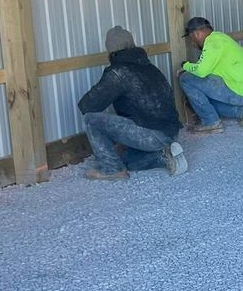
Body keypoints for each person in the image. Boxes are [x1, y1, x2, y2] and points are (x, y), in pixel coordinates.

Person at [77, 26, 186, 181]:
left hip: (150, 134)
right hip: (170, 133)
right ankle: (163, 156)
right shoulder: (150, 67)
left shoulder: (118, 72)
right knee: (128, 160)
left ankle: (113, 170)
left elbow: (88, 106)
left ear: (110, 49)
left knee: (91, 120)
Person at [179, 17, 243, 133]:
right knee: (205, 102)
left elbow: (202, 72)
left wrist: (185, 66)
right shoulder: (220, 38)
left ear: (197, 34)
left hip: (241, 92)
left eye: (191, 39)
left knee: (186, 79)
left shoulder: (212, 42)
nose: (192, 43)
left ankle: (211, 122)